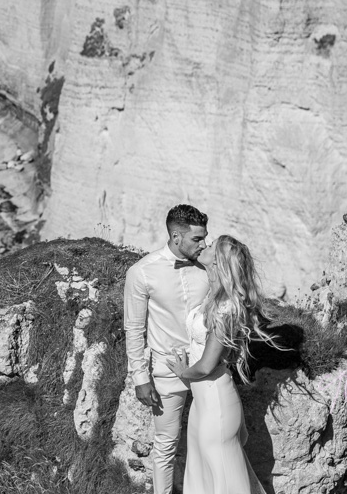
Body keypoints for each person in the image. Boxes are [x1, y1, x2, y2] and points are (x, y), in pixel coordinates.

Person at [164, 234, 279, 494]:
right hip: (202, 404)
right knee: (202, 479)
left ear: (218, 262)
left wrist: (184, 372)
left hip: (215, 403)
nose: (205, 244)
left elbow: (206, 365)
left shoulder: (225, 307)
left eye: (212, 245)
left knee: (226, 483)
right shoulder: (214, 296)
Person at [123, 204, 211, 494]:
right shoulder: (142, 272)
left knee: (210, 442)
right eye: (197, 239)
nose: (204, 244)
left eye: (205, 237)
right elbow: (134, 329)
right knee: (166, 447)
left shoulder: (207, 269)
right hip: (166, 373)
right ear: (176, 236)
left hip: (206, 369)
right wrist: (140, 378)